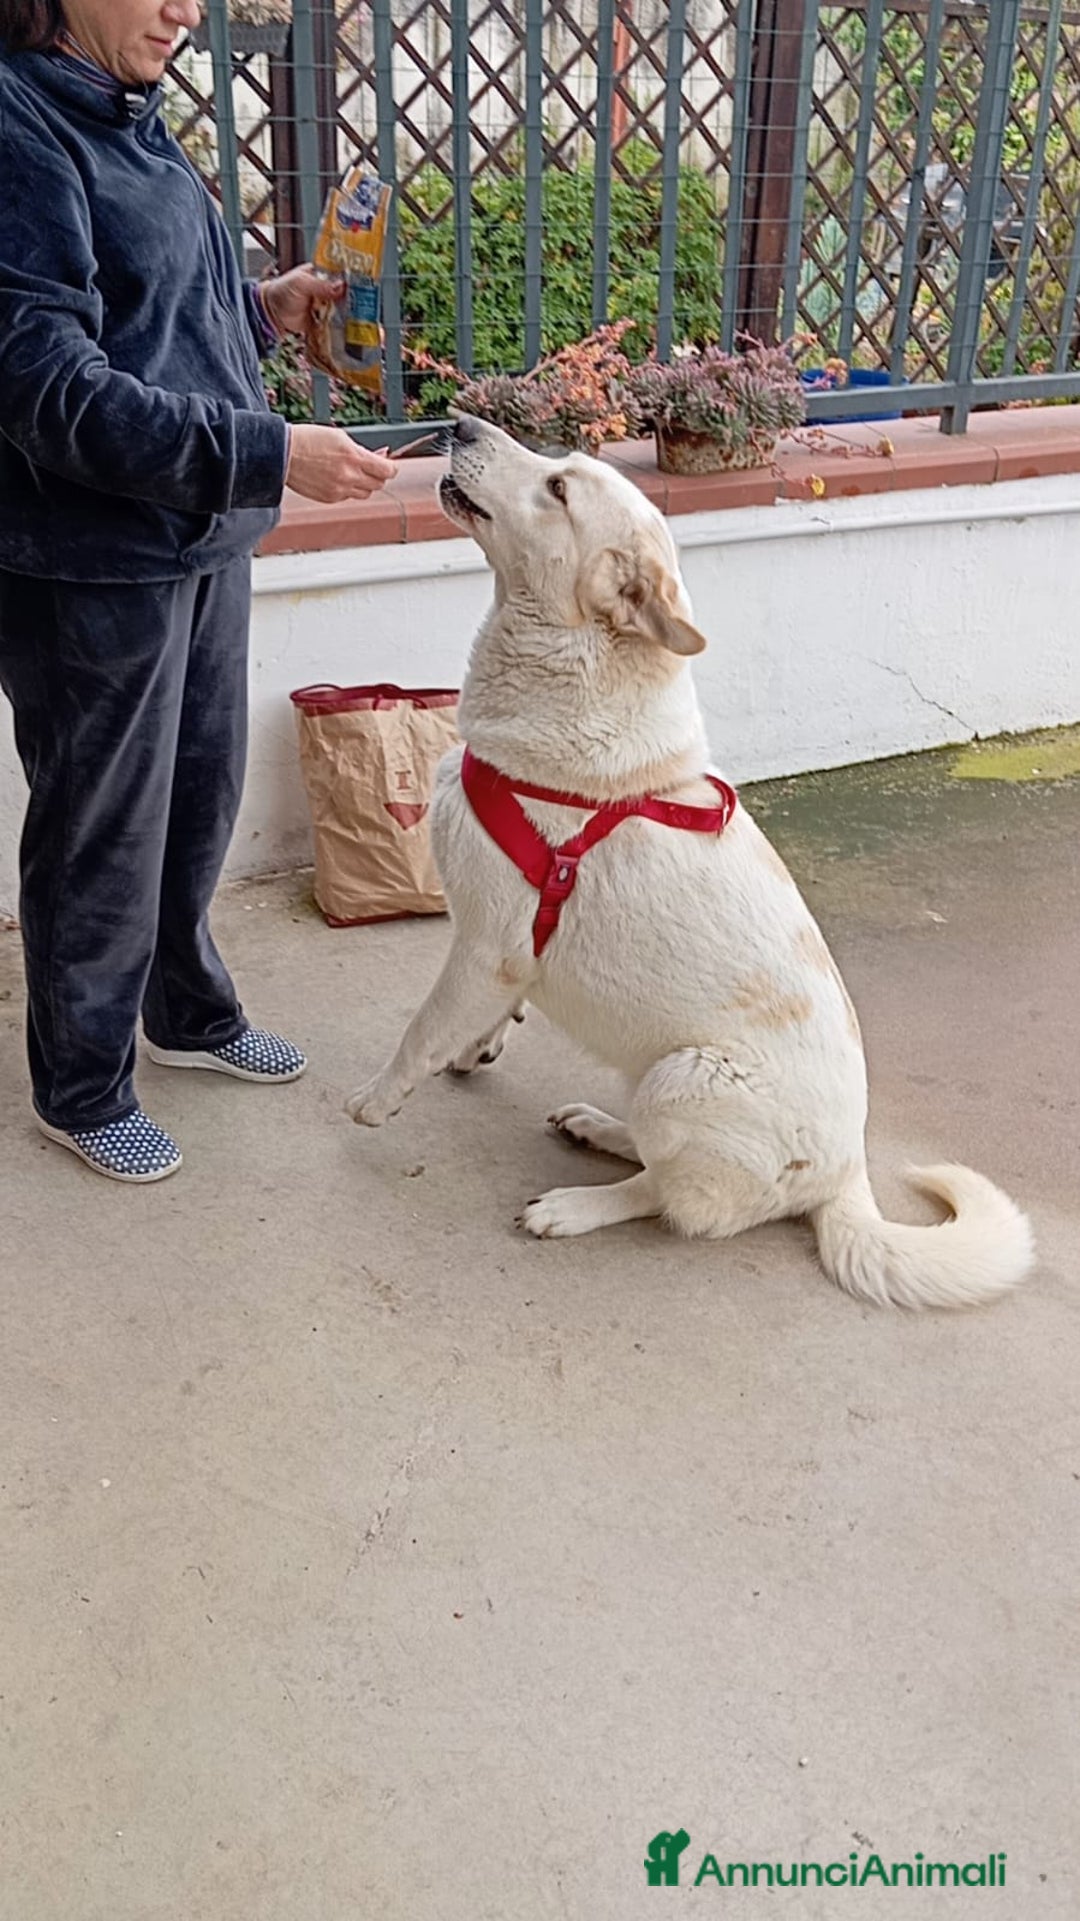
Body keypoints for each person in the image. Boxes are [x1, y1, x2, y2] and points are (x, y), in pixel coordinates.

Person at [0, 0, 398, 1181]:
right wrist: (271, 452)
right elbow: (49, 392)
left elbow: (154, 315)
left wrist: (263, 312)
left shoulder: (129, 111)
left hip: (199, 537)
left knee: (197, 796)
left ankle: (186, 1011)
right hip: (89, 558)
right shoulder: (21, 128)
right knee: (101, 829)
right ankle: (80, 1082)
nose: (186, 9)